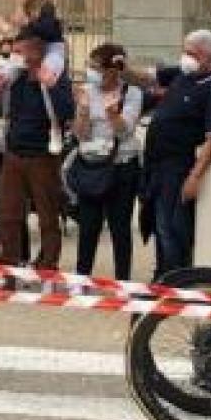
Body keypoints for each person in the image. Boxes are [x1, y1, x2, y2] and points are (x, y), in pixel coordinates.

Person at [0, 29, 75, 278]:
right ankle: (10, 259)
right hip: (14, 152)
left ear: (36, 51)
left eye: (20, 50)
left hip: (42, 154)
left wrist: (50, 85)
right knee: (9, 212)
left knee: (47, 213)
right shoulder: (15, 77)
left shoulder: (54, 75)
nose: (15, 55)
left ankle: (48, 262)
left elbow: (66, 111)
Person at [141, 29, 211, 279]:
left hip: (177, 166)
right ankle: (163, 275)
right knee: (156, 223)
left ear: (208, 56)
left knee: (172, 226)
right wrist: (120, 67)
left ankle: (179, 280)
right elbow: (145, 78)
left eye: (191, 53)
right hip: (155, 164)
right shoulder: (182, 76)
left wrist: (194, 176)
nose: (185, 57)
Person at [70, 43, 143, 283]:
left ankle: (122, 281)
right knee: (88, 226)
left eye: (97, 68)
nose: (92, 73)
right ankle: (82, 279)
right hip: (91, 165)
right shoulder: (87, 92)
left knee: (119, 227)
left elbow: (125, 131)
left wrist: (113, 114)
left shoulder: (131, 93)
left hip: (121, 166)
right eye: (90, 67)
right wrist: (82, 110)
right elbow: (80, 134)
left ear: (113, 70)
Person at [0, 0, 67, 85]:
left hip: (51, 48)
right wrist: (1, 28)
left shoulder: (47, 8)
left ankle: (50, 80)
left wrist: (26, 22)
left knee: (49, 70)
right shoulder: (24, 9)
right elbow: (19, 35)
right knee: (4, 74)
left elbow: (47, 31)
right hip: (29, 51)